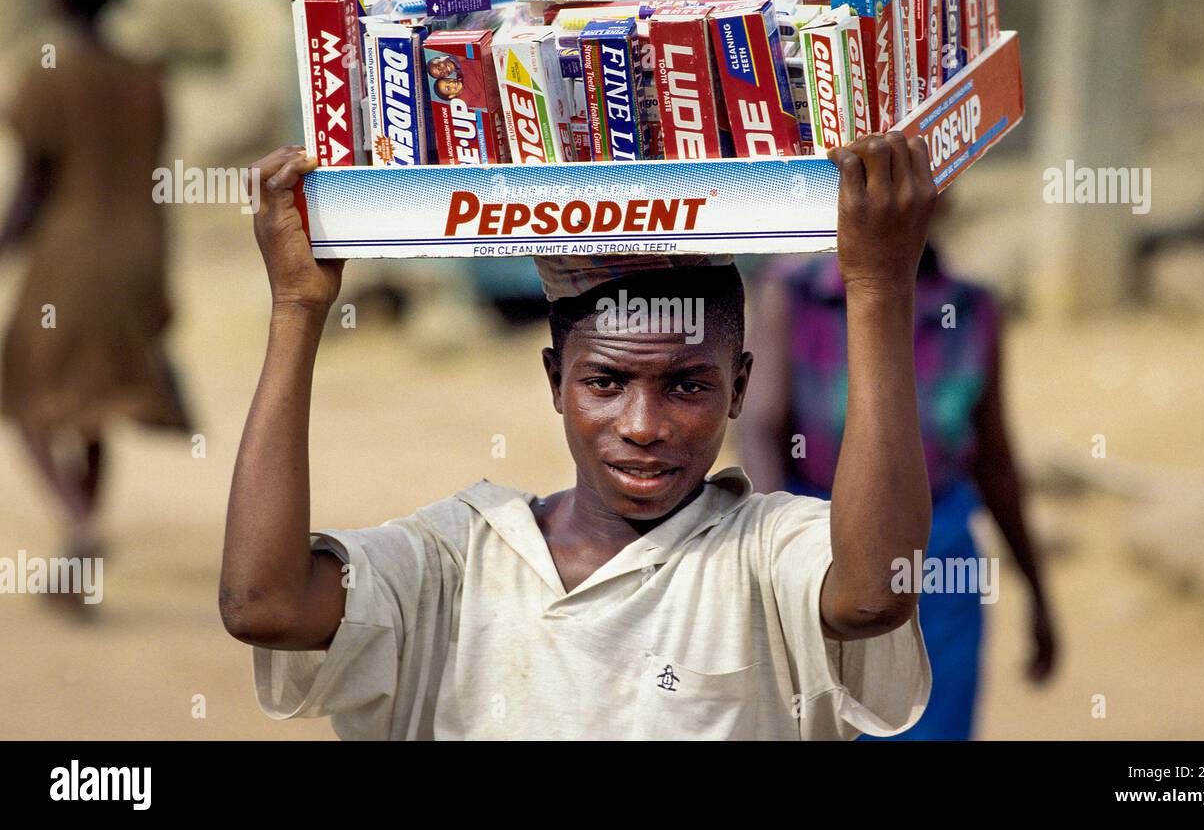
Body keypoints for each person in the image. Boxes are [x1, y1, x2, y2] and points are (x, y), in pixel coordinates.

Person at [222, 132, 937, 740]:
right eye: (605, 384)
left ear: (739, 389)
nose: (644, 427)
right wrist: (295, 309)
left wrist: (877, 289)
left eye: (687, 386)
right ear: (555, 379)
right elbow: (264, 605)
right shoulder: (458, 559)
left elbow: (877, 593)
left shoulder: (763, 553)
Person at [740, 202, 1058, 740]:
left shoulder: (971, 310)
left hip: (940, 561)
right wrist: (778, 572)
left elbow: (996, 460)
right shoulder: (792, 294)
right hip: (821, 542)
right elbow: (759, 430)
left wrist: (1038, 593)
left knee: (933, 723)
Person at [1, 0, 190, 587]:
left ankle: (78, 521)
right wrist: (163, 279)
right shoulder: (147, 78)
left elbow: (30, 195)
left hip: (70, 257)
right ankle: (78, 546)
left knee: (26, 395)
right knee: (96, 404)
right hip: (139, 252)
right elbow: (158, 184)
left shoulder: (47, 74)